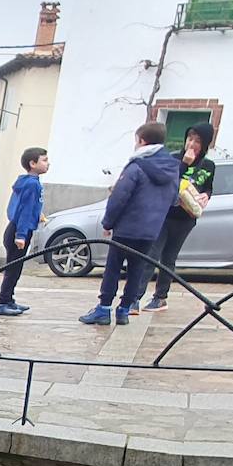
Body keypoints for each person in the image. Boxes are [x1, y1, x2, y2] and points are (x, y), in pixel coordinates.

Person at [78, 122, 180, 327]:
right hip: (151, 229)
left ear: (142, 141)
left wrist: (108, 222)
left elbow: (119, 197)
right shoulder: (172, 167)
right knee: (137, 269)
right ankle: (124, 310)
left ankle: (104, 309)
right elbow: (173, 198)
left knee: (113, 268)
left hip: (127, 227)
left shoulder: (136, 166)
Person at [141, 123, 215, 312]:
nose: (192, 144)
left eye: (197, 141)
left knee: (169, 258)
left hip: (186, 218)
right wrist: (184, 164)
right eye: (190, 138)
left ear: (205, 143)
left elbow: (208, 186)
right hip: (165, 214)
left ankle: (160, 298)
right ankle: (135, 296)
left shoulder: (208, 165)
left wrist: (206, 195)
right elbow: (168, 181)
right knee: (152, 255)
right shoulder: (173, 158)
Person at [0, 147, 49, 317]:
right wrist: (21, 235)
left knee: (16, 268)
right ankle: (3, 302)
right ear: (32, 164)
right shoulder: (32, 184)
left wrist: (37, 215)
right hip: (18, 231)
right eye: (44, 160)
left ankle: (9, 299)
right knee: (13, 268)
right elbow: (24, 211)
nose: (48, 163)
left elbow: (28, 207)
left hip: (18, 228)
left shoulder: (29, 182)